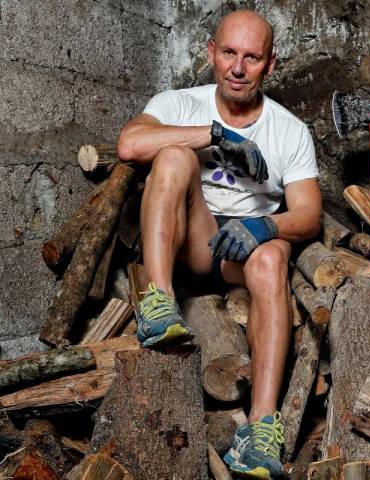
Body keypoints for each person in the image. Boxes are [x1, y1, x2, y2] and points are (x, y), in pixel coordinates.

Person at [116, 9, 322, 479]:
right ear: (211, 52)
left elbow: (309, 215)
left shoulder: (289, 130)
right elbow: (130, 144)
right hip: (190, 235)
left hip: (243, 249)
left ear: (269, 65)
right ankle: (159, 303)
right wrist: (215, 135)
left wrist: (263, 228)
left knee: (272, 259)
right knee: (170, 156)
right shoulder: (180, 103)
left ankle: (260, 429)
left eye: (251, 58)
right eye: (229, 53)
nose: (237, 67)